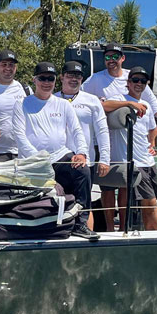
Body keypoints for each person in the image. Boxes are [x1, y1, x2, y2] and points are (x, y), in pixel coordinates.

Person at [12, 62, 97, 240]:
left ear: (55, 80)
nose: (46, 82)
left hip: (60, 156)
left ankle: (80, 223)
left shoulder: (64, 105)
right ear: (34, 79)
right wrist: (40, 160)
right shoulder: (22, 104)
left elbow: (76, 131)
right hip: (34, 161)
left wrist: (81, 153)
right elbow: (20, 137)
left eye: (50, 78)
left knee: (83, 170)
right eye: (42, 78)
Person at [100, 67, 157, 231]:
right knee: (149, 202)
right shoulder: (118, 97)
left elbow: (153, 128)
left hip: (147, 161)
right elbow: (103, 106)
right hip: (127, 160)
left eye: (143, 81)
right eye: (135, 80)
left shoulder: (148, 106)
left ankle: (137, 233)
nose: (139, 84)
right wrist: (129, 103)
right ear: (128, 83)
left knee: (146, 203)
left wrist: (152, 144)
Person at [56, 61, 111, 229]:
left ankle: (86, 237)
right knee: (59, 201)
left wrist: (105, 159)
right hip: (57, 161)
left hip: (84, 162)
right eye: (70, 75)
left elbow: (102, 131)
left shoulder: (92, 101)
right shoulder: (52, 99)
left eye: (78, 76)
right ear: (61, 77)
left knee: (84, 203)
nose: (74, 79)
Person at [82, 43, 157, 124]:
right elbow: (80, 95)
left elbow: (150, 98)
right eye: (107, 57)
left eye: (115, 57)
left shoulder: (133, 77)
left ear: (123, 58)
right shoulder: (95, 78)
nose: (111, 60)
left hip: (131, 127)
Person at [0, 49, 29, 162]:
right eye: (4, 65)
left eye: (11, 65)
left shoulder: (26, 90)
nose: (8, 68)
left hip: (23, 152)